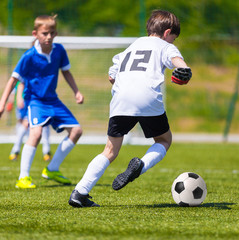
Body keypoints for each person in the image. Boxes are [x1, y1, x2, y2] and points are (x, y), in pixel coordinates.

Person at [68, 10, 192, 208]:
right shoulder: (164, 46)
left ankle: (80, 192)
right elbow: (176, 59)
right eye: (173, 39)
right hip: (147, 98)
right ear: (167, 32)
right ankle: (140, 166)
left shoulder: (132, 46)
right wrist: (185, 69)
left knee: (109, 150)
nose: (173, 43)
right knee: (164, 139)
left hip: (120, 99)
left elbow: (112, 75)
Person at [0, 15, 84, 188]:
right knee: (35, 134)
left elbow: (66, 72)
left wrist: (76, 91)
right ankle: (23, 177)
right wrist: (1, 104)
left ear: (56, 33)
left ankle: (52, 169)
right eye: (44, 33)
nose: (48, 37)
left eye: (51, 33)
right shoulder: (29, 56)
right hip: (35, 101)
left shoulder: (59, 51)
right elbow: (13, 80)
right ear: (35, 34)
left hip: (53, 100)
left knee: (77, 131)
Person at [7, 82, 52, 162]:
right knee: (24, 125)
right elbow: (15, 88)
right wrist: (13, 101)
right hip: (25, 103)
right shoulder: (20, 75)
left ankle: (46, 151)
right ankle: (15, 150)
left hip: (38, 102)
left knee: (44, 125)